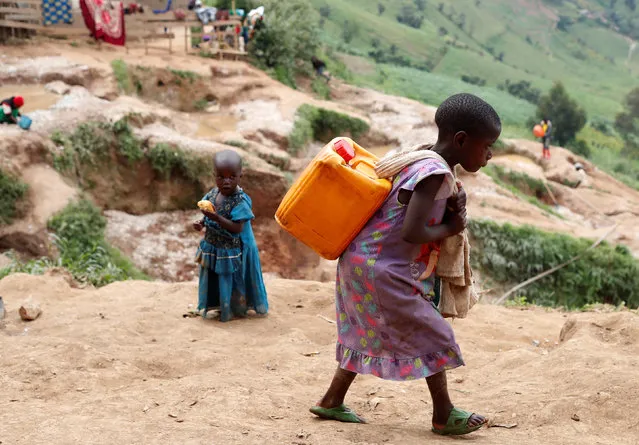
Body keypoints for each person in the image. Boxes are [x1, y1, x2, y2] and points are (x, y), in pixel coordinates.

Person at [310, 93, 501, 436]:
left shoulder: (422, 155)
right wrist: (453, 226)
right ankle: (444, 414)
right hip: (384, 270)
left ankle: (331, 400)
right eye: (487, 145)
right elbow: (414, 231)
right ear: (461, 140)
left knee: (362, 330)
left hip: (360, 260)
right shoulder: (434, 173)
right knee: (433, 331)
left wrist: (453, 204)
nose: (490, 154)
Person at [193, 150, 268, 322]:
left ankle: (232, 309)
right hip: (213, 246)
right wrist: (201, 222)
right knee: (214, 276)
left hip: (231, 249)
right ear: (214, 176)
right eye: (221, 177)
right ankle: (218, 304)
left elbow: (237, 228)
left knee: (231, 279)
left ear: (241, 175)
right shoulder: (212, 195)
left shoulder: (240, 201)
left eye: (232, 177)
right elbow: (207, 213)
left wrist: (216, 218)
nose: (226, 181)